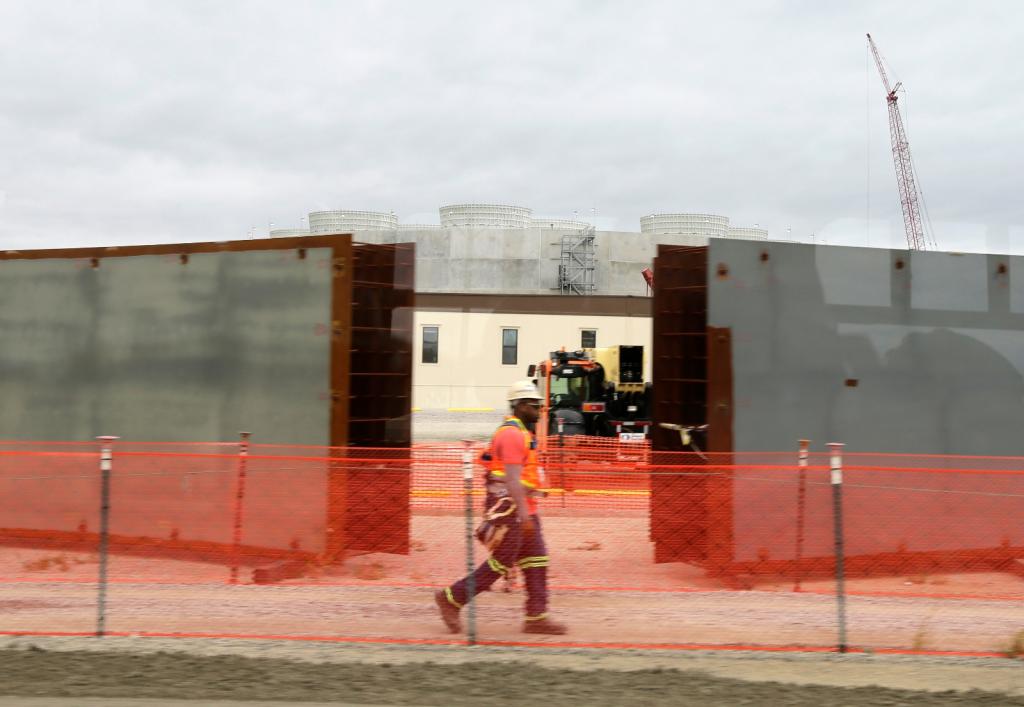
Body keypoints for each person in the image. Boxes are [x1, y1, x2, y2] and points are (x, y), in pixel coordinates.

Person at [434, 380, 568, 635]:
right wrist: (524, 513)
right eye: (533, 405)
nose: (539, 410)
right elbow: (512, 479)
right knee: (501, 562)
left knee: (537, 559)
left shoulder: (523, 434)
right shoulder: (511, 435)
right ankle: (451, 599)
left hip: (521, 506)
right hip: (510, 509)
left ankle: (536, 617)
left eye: (539, 405)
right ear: (518, 406)